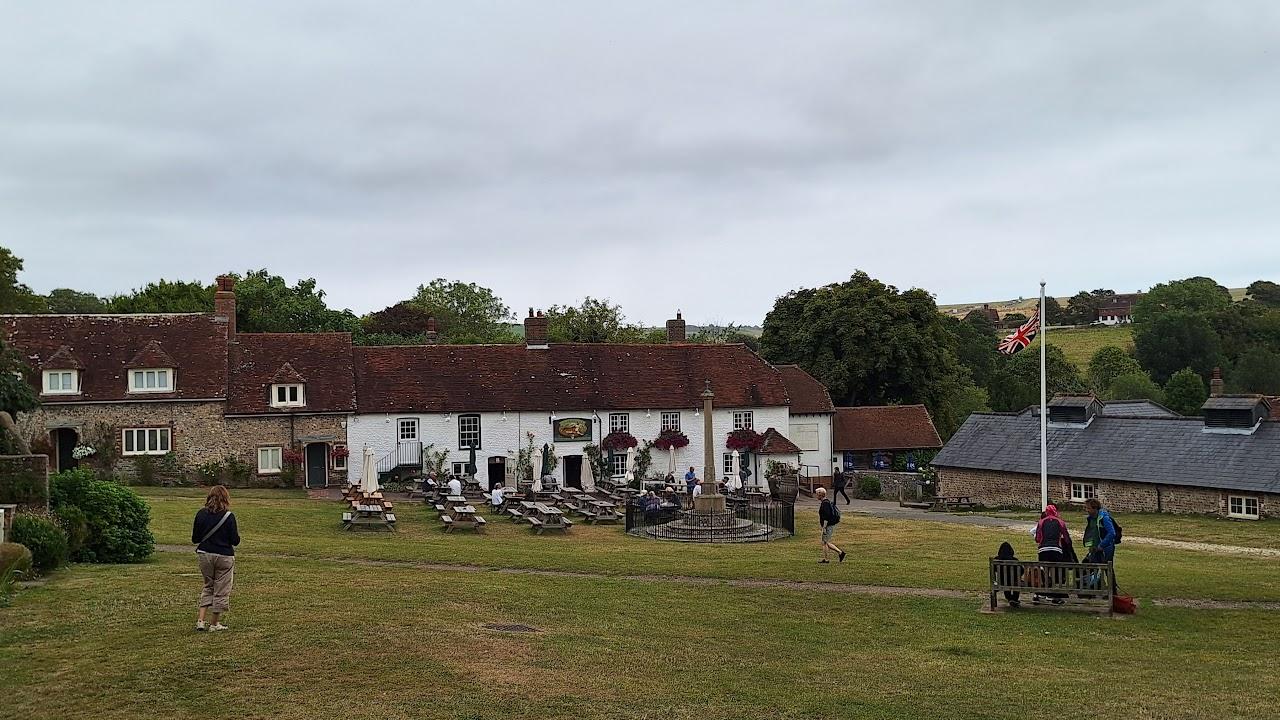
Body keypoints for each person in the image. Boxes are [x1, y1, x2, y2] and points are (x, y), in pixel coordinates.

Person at [192, 485, 240, 632]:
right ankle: (214, 623)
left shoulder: (201, 514)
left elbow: (195, 538)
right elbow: (235, 540)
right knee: (221, 589)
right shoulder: (228, 516)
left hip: (205, 554)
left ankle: (201, 620)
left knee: (208, 586)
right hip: (224, 555)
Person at [1033, 504, 1073, 604]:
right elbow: (1067, 537)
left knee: (1044, 570)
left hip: (1043, 550)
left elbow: (1037, 539)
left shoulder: (1041, 522)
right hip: (1056, 549)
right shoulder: (1060, 522)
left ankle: (1043, 592)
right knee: (1056, 572)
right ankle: (1055, 594)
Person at [1082, 498, 1119, 591]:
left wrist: (1102, 545)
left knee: (1107, 569)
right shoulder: (1091, 519)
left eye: (1088, 508)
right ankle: (1096, 588)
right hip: (1095, 548)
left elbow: (1112, 533)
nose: (1087, 510)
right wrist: (1091, 546)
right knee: (1092, 567)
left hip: (1106, 548)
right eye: (1086, 508)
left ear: (1095, 509)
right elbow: (1091, 533)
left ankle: (1112, 591)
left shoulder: (1104, 518)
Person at [816, 487, 846, 564]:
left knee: (825, 542)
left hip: (828, 525)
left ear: (820, 495)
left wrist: (824, 527)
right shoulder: (826, 502)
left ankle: (839, 553)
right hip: (829, 524)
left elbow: (826, 516)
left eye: (817, 494)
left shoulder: (825, 504)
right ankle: (833, 556)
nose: (816, 496)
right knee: (825, 542)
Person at [995, 541, 1022, 608]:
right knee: (1016, 583)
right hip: (1014, 581)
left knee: (1005, 583)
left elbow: (994, 570)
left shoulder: (996, 560)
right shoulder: (1015, 560)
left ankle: (1009, 598)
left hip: (1001, 582)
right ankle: (1014, 599)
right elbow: (1021, 570)